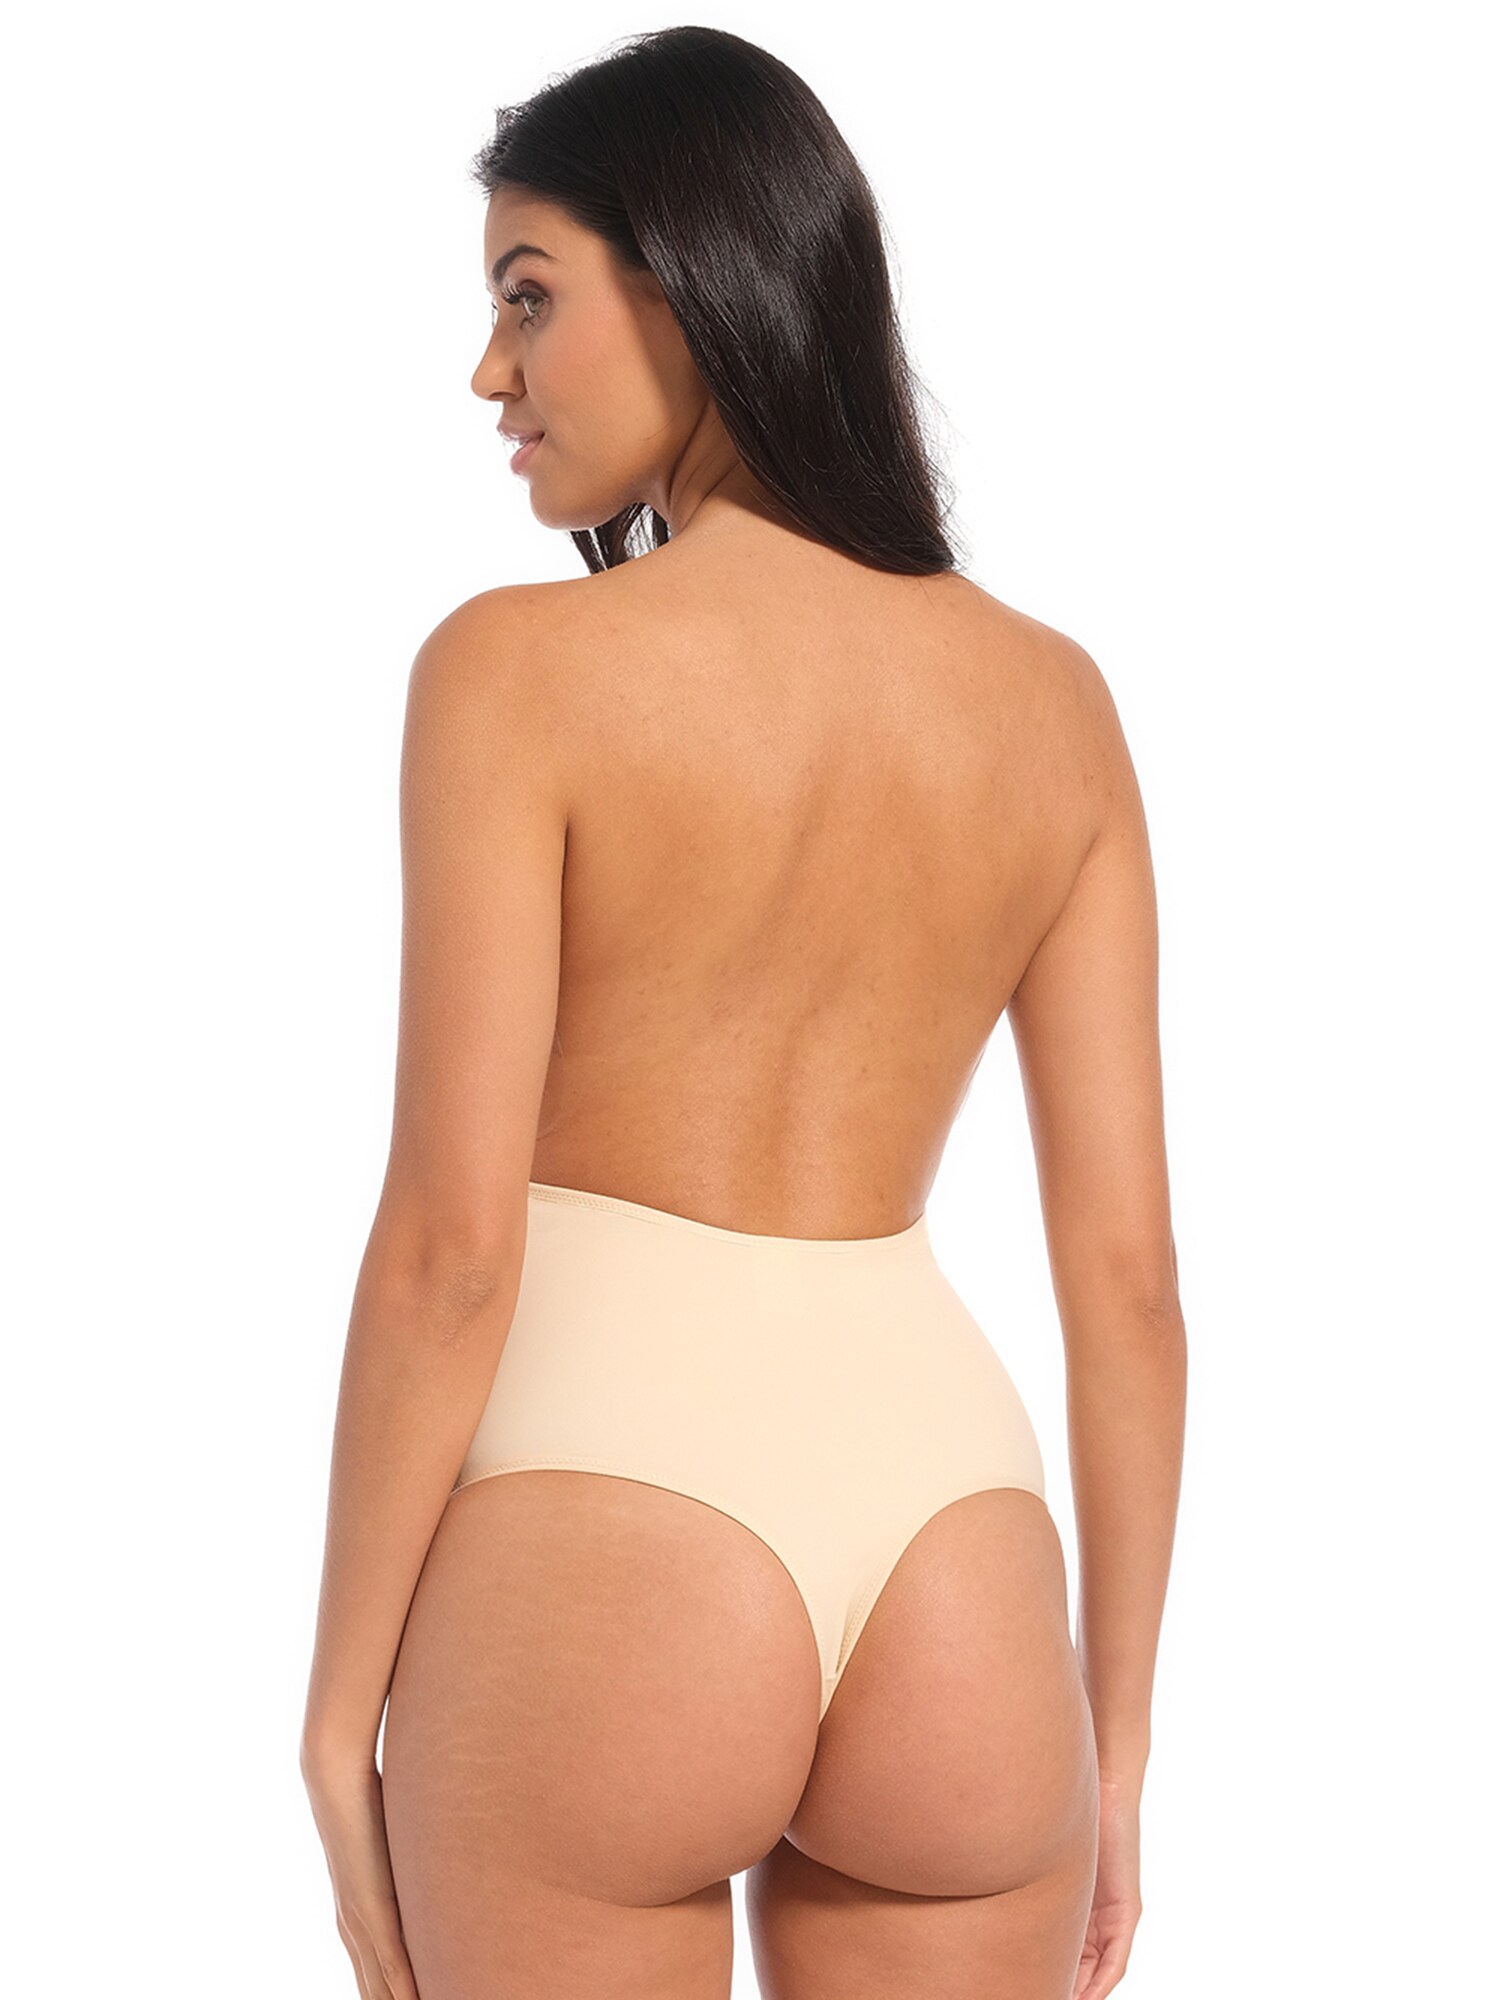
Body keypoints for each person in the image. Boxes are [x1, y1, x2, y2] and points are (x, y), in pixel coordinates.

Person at [299, 25, 1186, 2000]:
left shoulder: (517, 674)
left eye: (530, 295)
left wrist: (336, 1712)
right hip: (960, 1550)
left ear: (692, 276)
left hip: (605, 1543)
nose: (490, 372)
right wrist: (1112, 1744)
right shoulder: (1055, 706)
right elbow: (1128, 1285)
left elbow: (451, 1252)